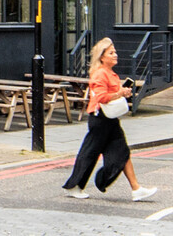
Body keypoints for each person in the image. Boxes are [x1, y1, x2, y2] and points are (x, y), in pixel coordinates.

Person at [60, 38, 156, 201]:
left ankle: (136, 189)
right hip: (100, 119)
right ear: (102, 57)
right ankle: (74, 186)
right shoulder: (99, 74)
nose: (115, 55)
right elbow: (102, 98)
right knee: (89, 153)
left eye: (115, 52)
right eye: (111, 53)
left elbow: (112, 94)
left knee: (122, 151)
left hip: (110, 120)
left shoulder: (111, 73)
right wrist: (119, 93)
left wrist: (123, 92)